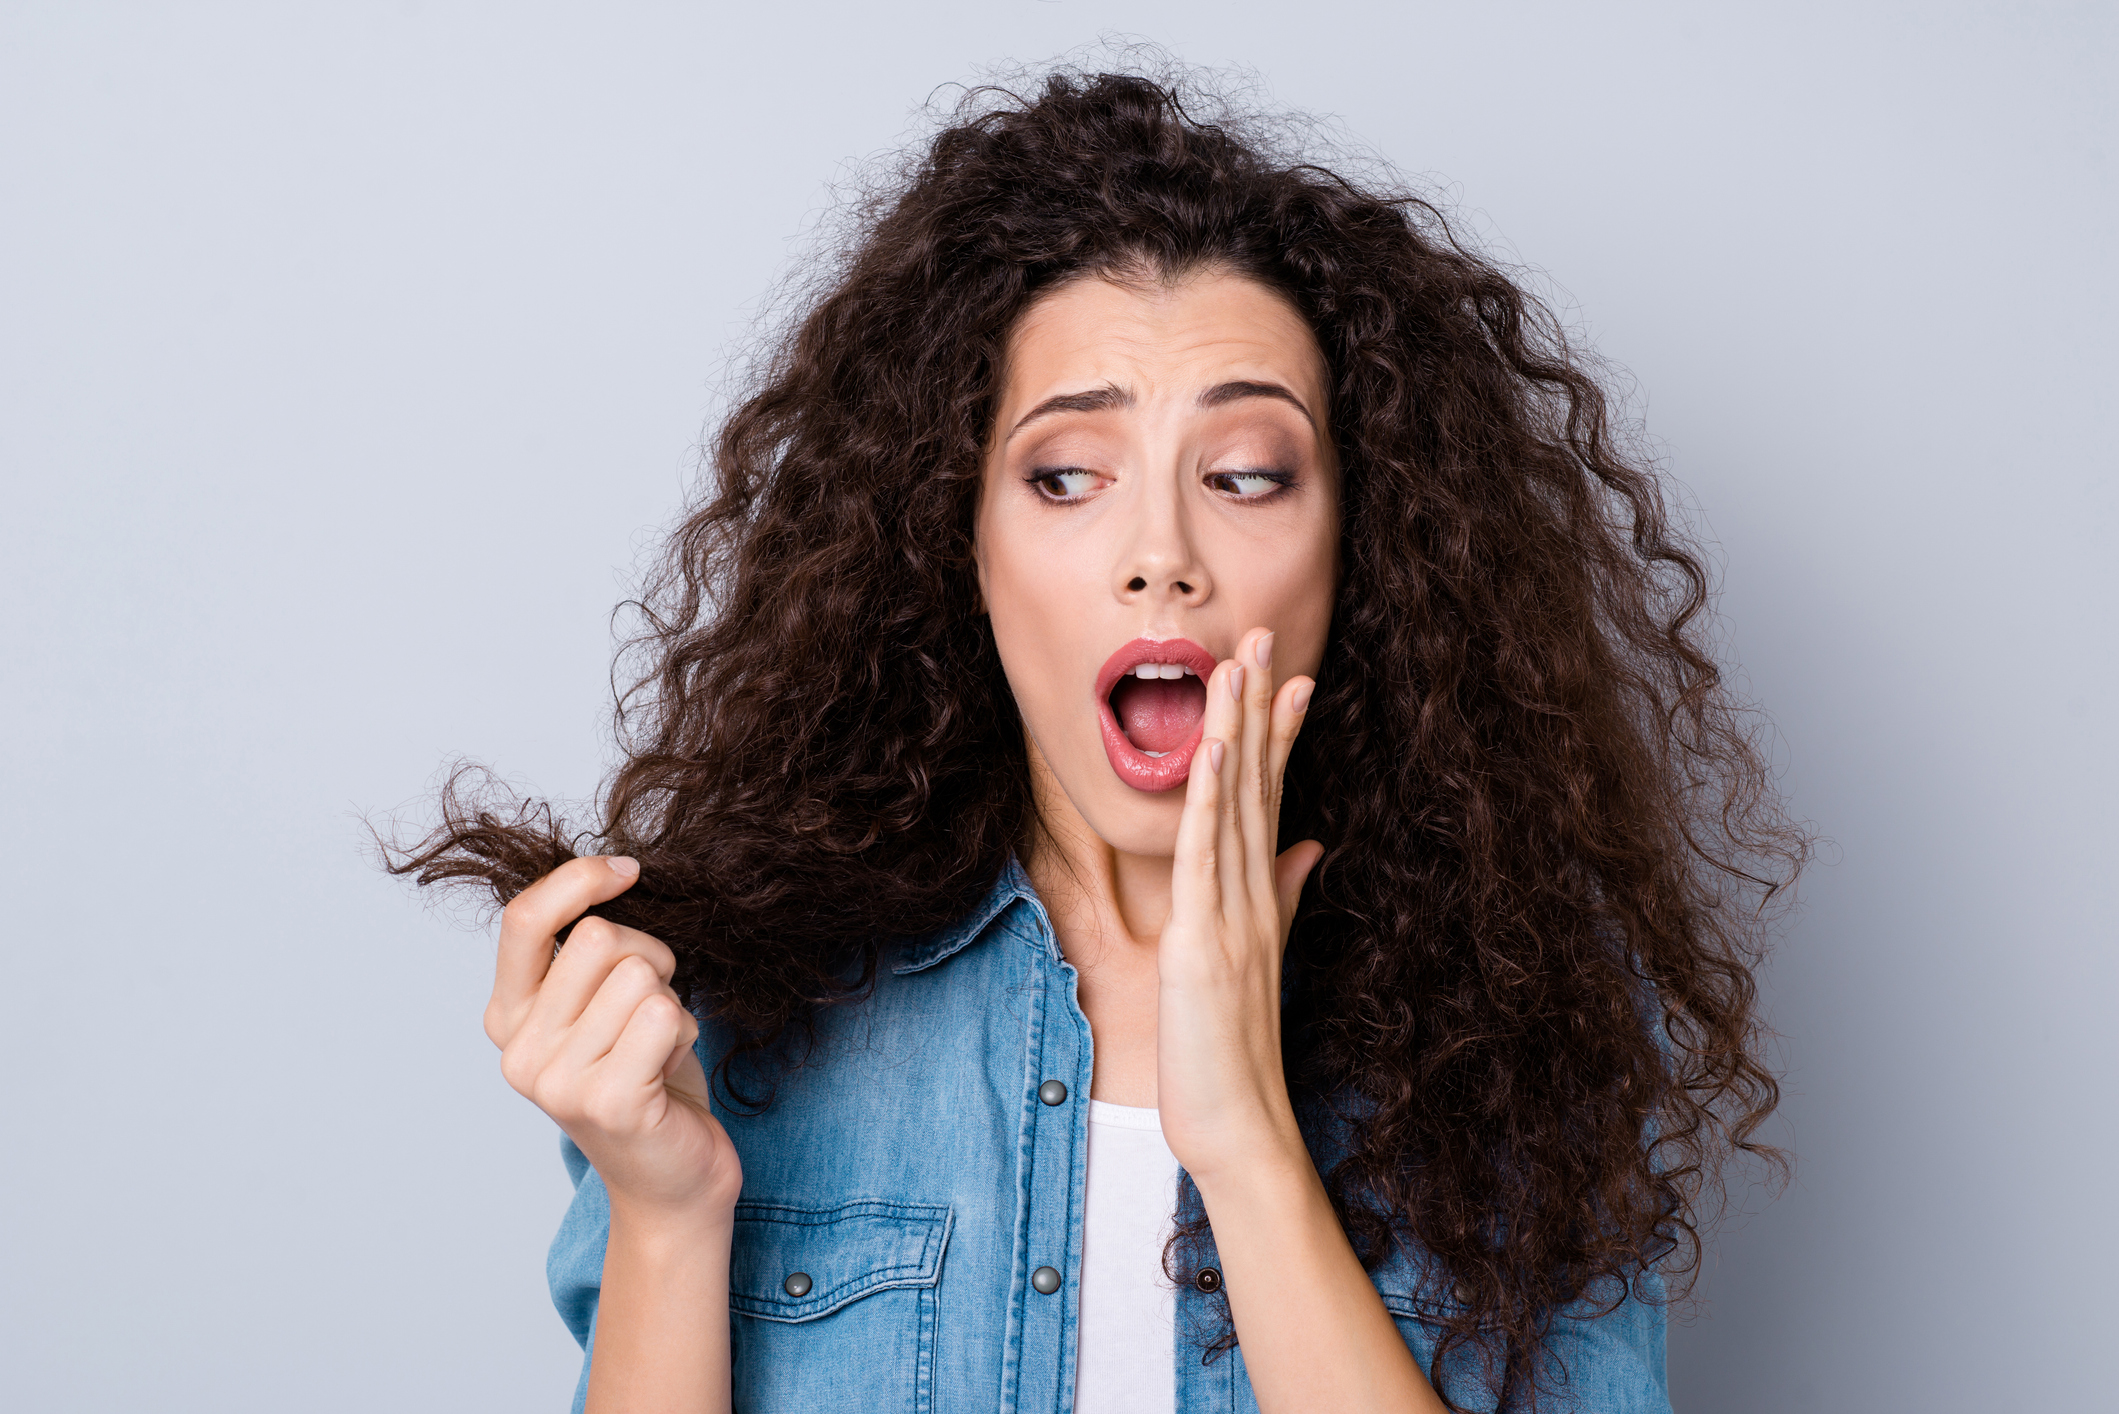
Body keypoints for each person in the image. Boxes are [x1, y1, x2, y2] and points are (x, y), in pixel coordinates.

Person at [393, 67, 1802, 1414]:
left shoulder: (1521, 1011)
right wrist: (667, 1204)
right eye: (1067, 477)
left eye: (1247, 475)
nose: (1160, 555)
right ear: (961, 548)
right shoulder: (753, 995)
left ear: (1357, 552)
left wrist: (1246, 1137)